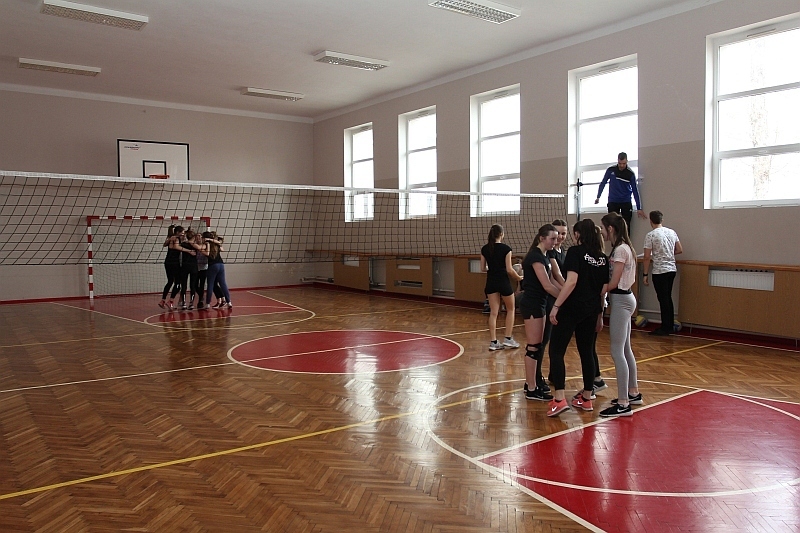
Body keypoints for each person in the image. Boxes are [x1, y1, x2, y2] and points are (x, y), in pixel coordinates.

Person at [546, 218, 609, 417]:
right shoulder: (602, 257)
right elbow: (603, 290)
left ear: (578, 234)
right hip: (591, 310)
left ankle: (559, 399)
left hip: (572, 308)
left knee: (556, 351)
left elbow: (571, 281)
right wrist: (600, 314)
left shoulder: (575, 252)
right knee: (587, 352)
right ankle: (587, 398)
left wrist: (556, 306)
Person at [599, 212, 642, 417]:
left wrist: (598, 290)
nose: (602, 232)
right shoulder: (625, 248)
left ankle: (624, 403)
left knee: (617, 351)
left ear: (611, 228)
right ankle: (633, 392)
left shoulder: (620, 250)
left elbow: (614, 281)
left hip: (622, 300)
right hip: (625, 299)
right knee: (625, 348)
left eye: (603, 228)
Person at [520, 224, 560, 401]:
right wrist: (564, 300)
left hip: (541, 304)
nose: (555, 241)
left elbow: (553, 281)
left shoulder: (545, 256)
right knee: (533, 346)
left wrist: (567, 293)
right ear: (542, 238)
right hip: (532, 304)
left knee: (538, 345)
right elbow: (547, 285)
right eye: (552, 238)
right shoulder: (535, 257)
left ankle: (531, 383)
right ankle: (531, 388)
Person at [480, 224, 523, 351]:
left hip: (491, 282)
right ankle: (508, 338)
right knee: (511, 309)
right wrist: (518, 278)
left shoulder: (485, 249)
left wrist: (493, 268)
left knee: (493, 312)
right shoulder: (506, 249)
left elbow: (483, 268)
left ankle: (493, 342)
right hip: (503, 282)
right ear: (502, 234)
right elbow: (509, 269)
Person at [643, 210, 682, 335]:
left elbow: (646, 257)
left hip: (659, 271)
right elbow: (679, 249)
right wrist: (668, 254)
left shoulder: (650, 235)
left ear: (651, 221)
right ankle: (669, 325)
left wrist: (645, 274)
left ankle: (665, 327)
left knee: (662, 299)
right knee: (667, 298)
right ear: (662, 220)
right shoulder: (671, 232)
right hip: (671, 269)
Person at [594, 152, 646, 230]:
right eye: (620, 163)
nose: (621, 165)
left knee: (626, 226)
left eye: (624, 163)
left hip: (625, 201)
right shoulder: (611, 170)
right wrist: (598, 197)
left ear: (627, 161)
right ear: (617, 161)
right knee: (612, 226)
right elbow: (603, 183)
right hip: (613, 201)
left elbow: (635, 190)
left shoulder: (630, 174)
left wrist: (639, 208)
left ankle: (626, 238)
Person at [203, 232, 232, 309]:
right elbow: (222, 248)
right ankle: (229, 302)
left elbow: (206, 253)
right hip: (221, 265)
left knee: (210, 285)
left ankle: (207, 304)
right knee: (223, 284)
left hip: (213, 265)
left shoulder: (206, 245)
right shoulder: (216, 244)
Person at [159, 225, 184, 310]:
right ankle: (171, 301)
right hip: (174, 263)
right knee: (178, 283)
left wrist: (169, 239)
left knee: (170, 281)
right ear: (177, 232)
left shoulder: (171, 238)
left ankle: (163, 300)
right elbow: (176, 247)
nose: (183, 234)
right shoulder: (176, 239)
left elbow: (165, 244)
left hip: (167, 262)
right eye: (182, 233)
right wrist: (189, 250)